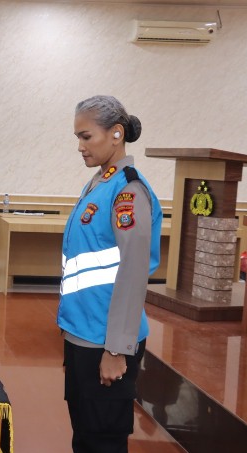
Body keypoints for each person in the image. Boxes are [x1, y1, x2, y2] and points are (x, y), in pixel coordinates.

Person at [58, 95, 162, 453]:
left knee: (103, 441)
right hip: (82, 332)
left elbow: (133, 274)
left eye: (86, 136)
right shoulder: (100, 184)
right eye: (78, 137)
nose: (80, 146)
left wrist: (117, 349)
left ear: (116, 134)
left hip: (107, 339)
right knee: (85, 435)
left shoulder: (128, 190)